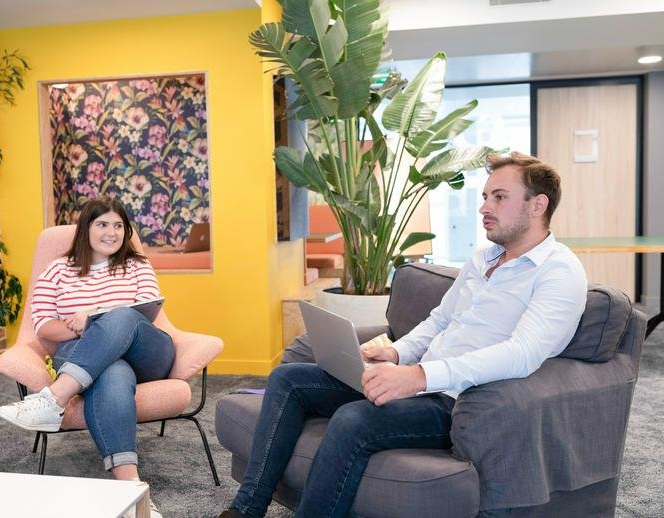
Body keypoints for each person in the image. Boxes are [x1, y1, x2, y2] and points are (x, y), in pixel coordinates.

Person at [219, 152, 588, 518]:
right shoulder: (484, 258)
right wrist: (397, 354)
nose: (484, 207)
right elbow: (439, 321)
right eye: (485, 197)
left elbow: (522, 353)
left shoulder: (559, 272)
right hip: (416, 379)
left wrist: (420, 377)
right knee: (289, 379)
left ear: (537, 205)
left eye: (499, 197)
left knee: (353, 419)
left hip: (456, 402)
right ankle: (246, 509)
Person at [0, 196, 170, 518]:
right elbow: (45, 327)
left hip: (146, 352)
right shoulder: (58, 270)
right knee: (112, 372)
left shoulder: (137, 265)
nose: (112, 232)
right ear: (85, 228)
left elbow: (145, 314)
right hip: (87, 357)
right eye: (102, 224)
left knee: (121, 316)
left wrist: (94, 316)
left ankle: (54, 398)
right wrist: (84, 329)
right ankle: (132, 493)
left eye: (118, 225)